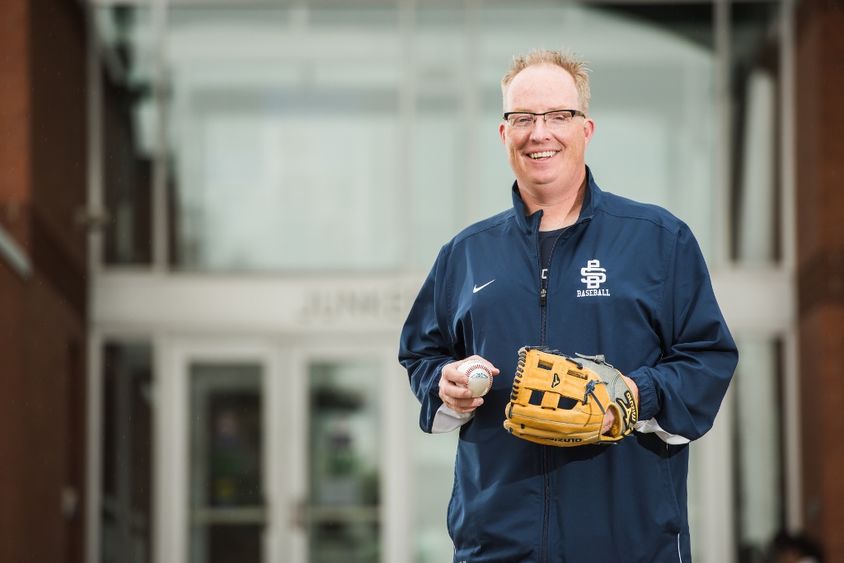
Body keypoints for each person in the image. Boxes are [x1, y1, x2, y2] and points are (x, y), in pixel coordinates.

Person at [398, 48, 738, 562]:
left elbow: (707, 359)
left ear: (586, 129)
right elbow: (422, 358)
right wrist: (445, 383)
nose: (540, 133)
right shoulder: (465, 255)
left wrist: (632, 394)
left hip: (630, 546)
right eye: (523, 119)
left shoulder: (658, 240)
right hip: (496, 547)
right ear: (503, 133)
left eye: (558, 116)